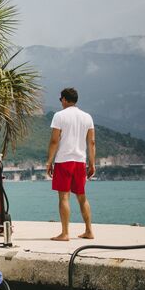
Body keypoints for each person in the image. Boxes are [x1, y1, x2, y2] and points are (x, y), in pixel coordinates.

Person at [46, 87, 96, 241]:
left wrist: (49, 162)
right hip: (80, 161)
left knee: (64, 197)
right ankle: (89, 231)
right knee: (82, 197)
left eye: (61, 99)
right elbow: (92, 142)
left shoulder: (59, 116)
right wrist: (92, 163)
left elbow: (54, 141)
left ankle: (65, 233)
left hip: (64, 161)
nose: (61, 102)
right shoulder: (87, 117)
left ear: (65, 99)